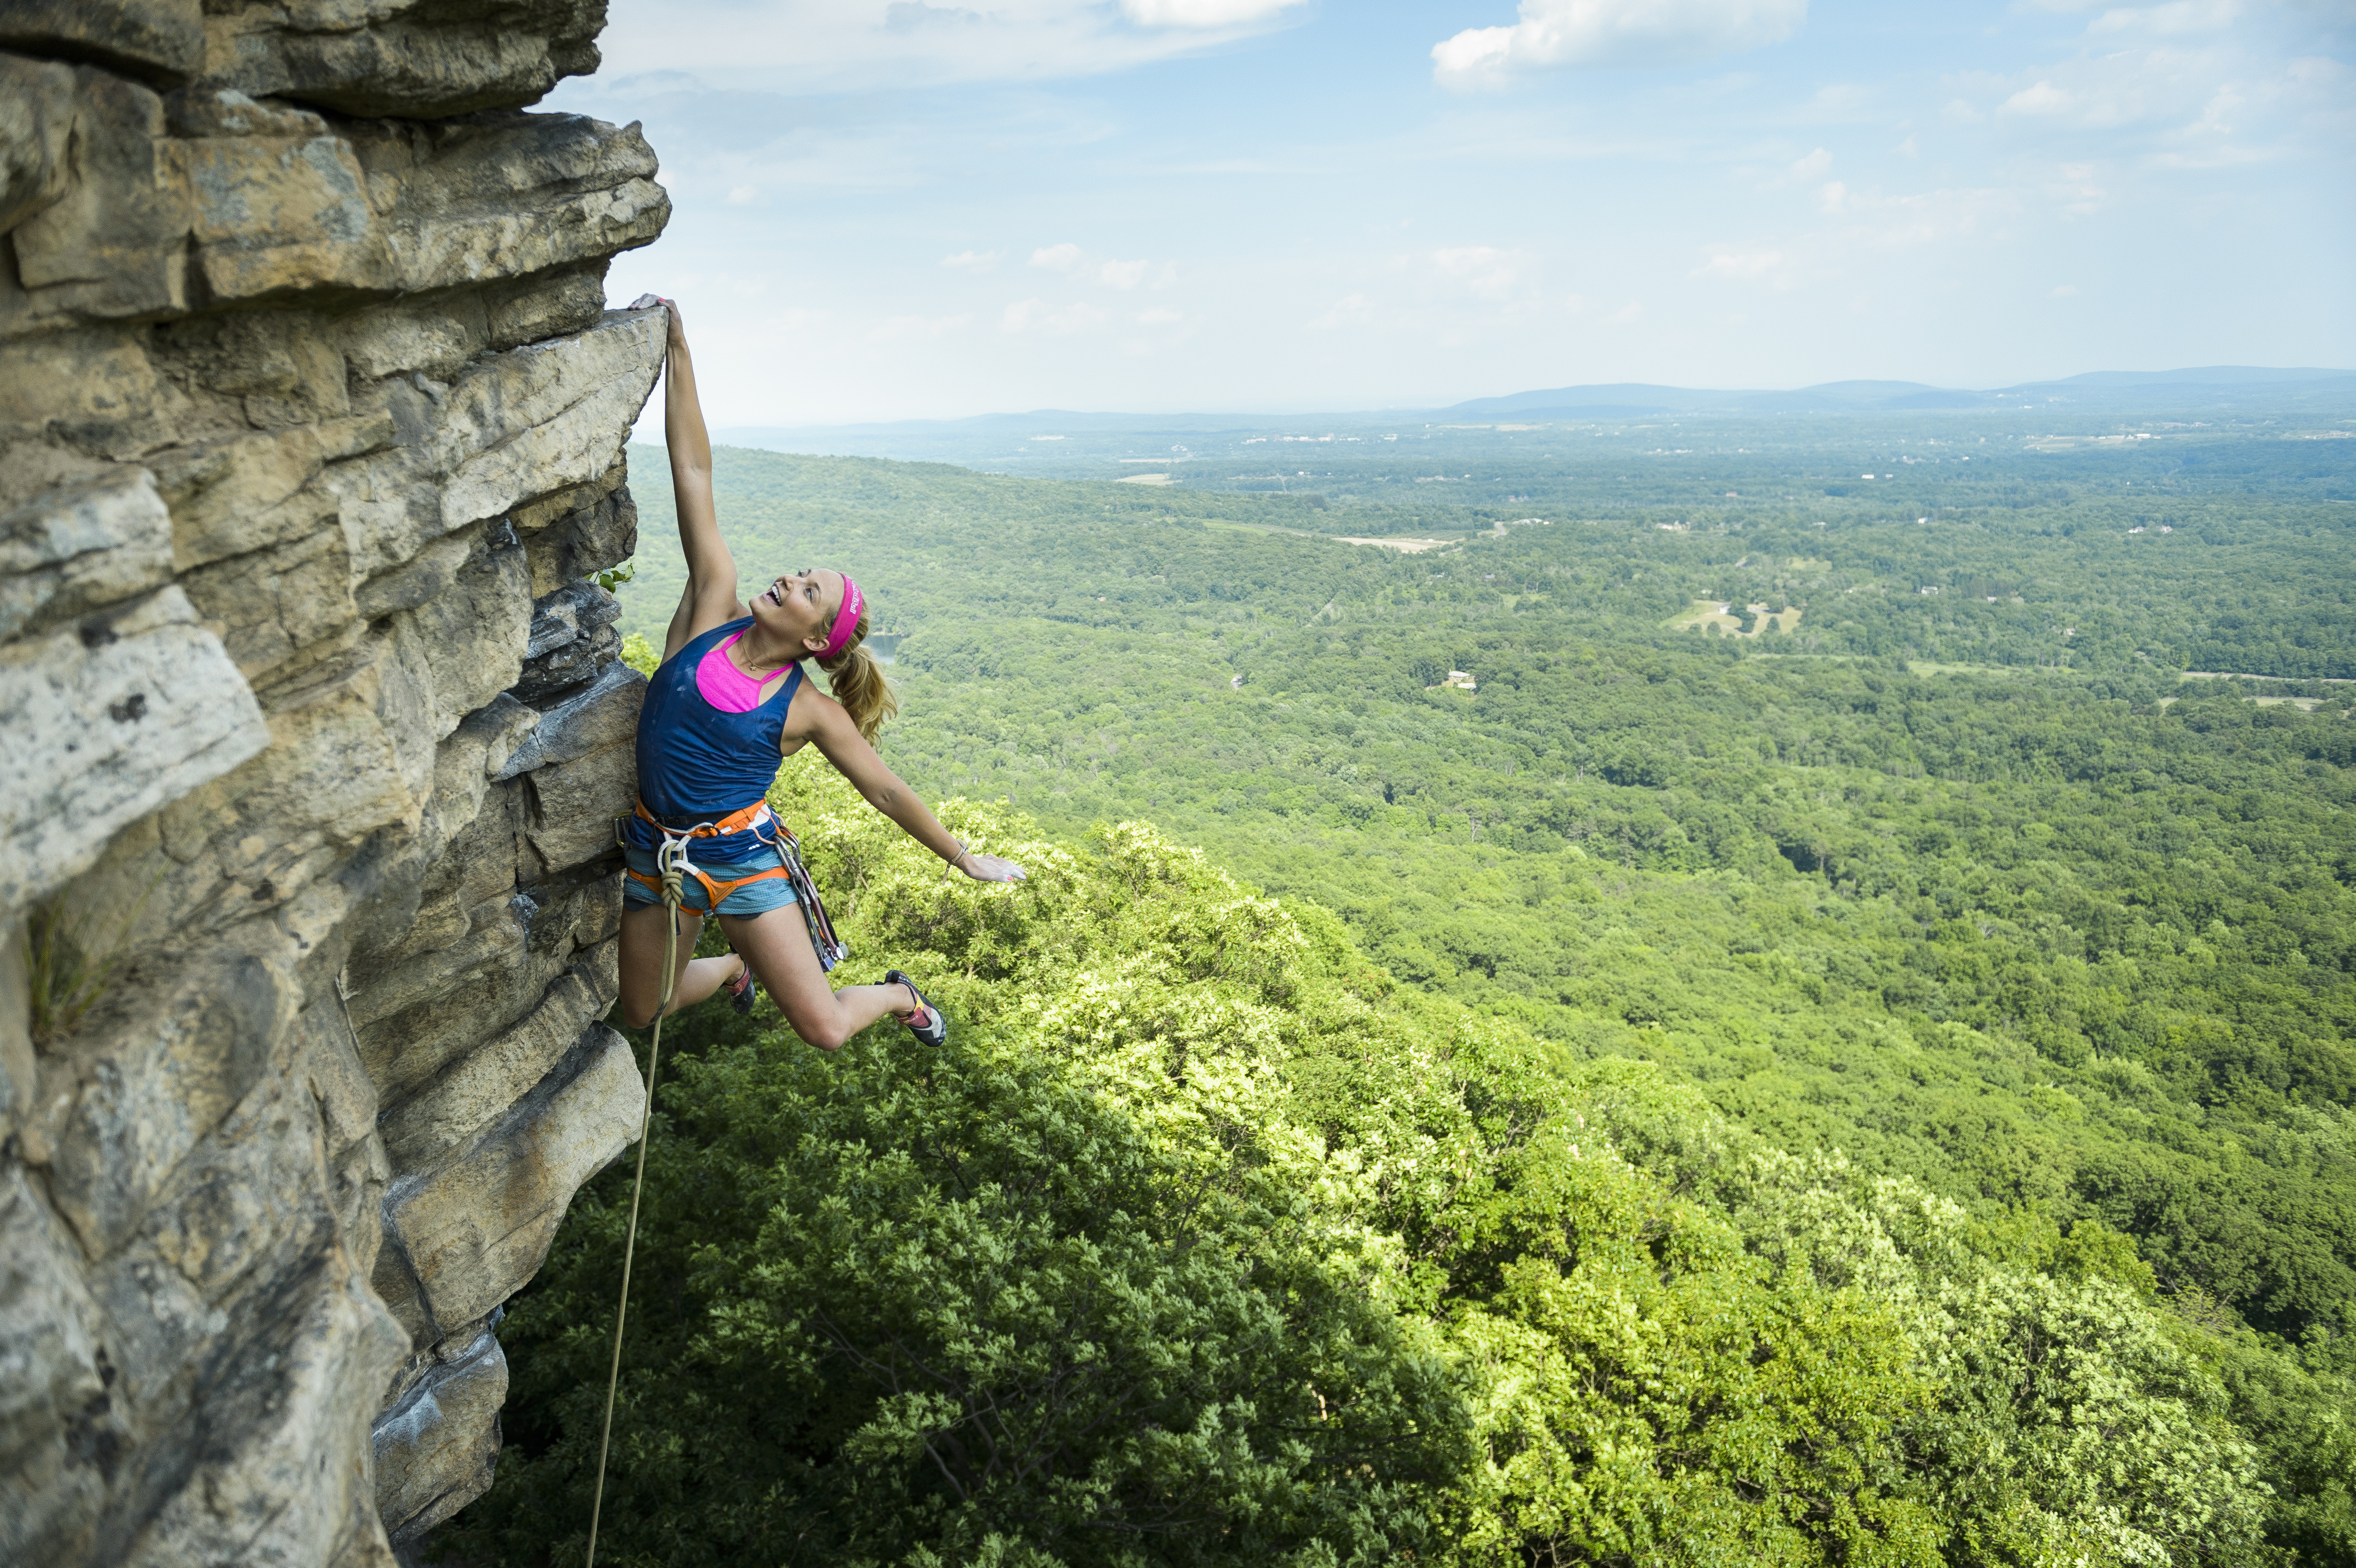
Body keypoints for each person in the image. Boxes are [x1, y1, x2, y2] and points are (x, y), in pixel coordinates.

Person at [614, 295, 1025, 1048]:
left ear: (814, 640)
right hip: (659, 846)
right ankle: (736, 971)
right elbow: (693, 471)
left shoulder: (807, 711)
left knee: (827, 1030)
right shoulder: (713, 604)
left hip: (740, 860)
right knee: (641, 1009)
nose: (791, 581)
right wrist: (680, 354)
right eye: (802, 573)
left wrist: (964, 859)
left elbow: (885, 788)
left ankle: (898, 997)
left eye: (810, 592)